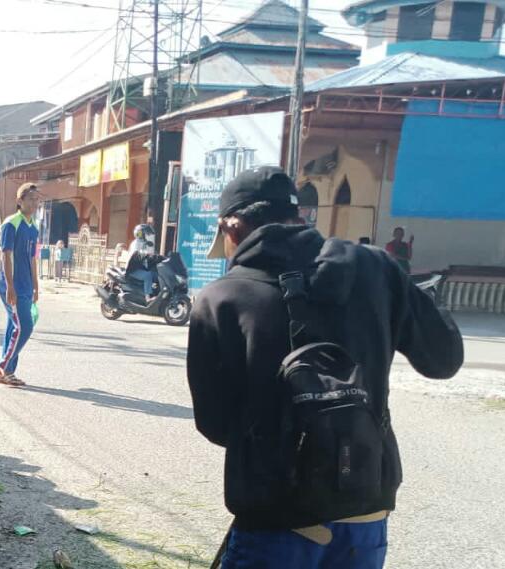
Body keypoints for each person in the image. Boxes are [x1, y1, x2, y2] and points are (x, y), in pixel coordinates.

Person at [187, 166, 463, 569]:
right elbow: (444, 360)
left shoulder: (220, 299)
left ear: (232, 227)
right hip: (364, 504)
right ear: (298, 216)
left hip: (274, 518)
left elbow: (215, 424)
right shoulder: (378, 268)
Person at [0, 183, 42, 387]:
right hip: (12, 286)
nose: (34, 203)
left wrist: (36, 286)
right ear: (19, 201)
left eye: (36, 199)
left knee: (13, 329)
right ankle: (4, 367)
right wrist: (10, 287)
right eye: (30, 199)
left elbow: (33, 259)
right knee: (24, 327)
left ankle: (9, 372)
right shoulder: (11, 223)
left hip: (26, 286)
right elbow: (5, 255)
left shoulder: (33, 227)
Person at [126, 224, 159, 299]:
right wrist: (146, 254)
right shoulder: (136, 243)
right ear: (141, 234)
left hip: (142, 268)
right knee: (148, 275)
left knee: (157, 275)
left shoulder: (145, 243)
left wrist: (157, 256)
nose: (147, 236)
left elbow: (151, 253)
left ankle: (157, 295)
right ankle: (148, 297)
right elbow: (136, 255)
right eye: (146, 234)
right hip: (133, 269)